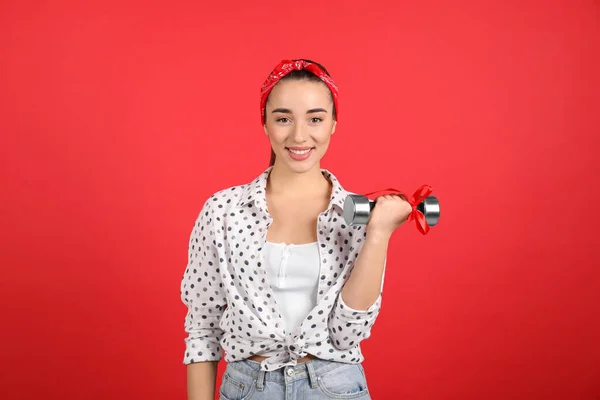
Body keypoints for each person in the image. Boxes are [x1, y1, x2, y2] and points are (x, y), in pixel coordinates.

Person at [181, 59, 413, 400]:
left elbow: (348, 333)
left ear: (334, 124)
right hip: (248, 387)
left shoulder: (356, 216)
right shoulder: (223, 212)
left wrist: (379, 233)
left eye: (315, 119)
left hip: (334, 387)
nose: (299, 135)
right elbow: (202, 326)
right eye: (283, 118)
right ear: (265, 123)